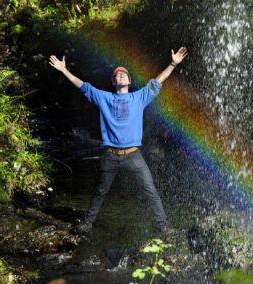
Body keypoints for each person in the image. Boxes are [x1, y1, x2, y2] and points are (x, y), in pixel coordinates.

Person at [49, 47, 188, 234]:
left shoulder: (139, 97)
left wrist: (173, 63)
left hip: (133, 155)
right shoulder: (104, 98)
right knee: (101, 191)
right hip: (110, 155)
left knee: (150, 190)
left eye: (124, 75)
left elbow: (158, 81)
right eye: (117, 76)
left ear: (129, 82)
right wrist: (64, 70)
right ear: (114, 82)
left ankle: (164, 227)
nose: (121, 77)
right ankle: (87, 223)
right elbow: (83, 86)